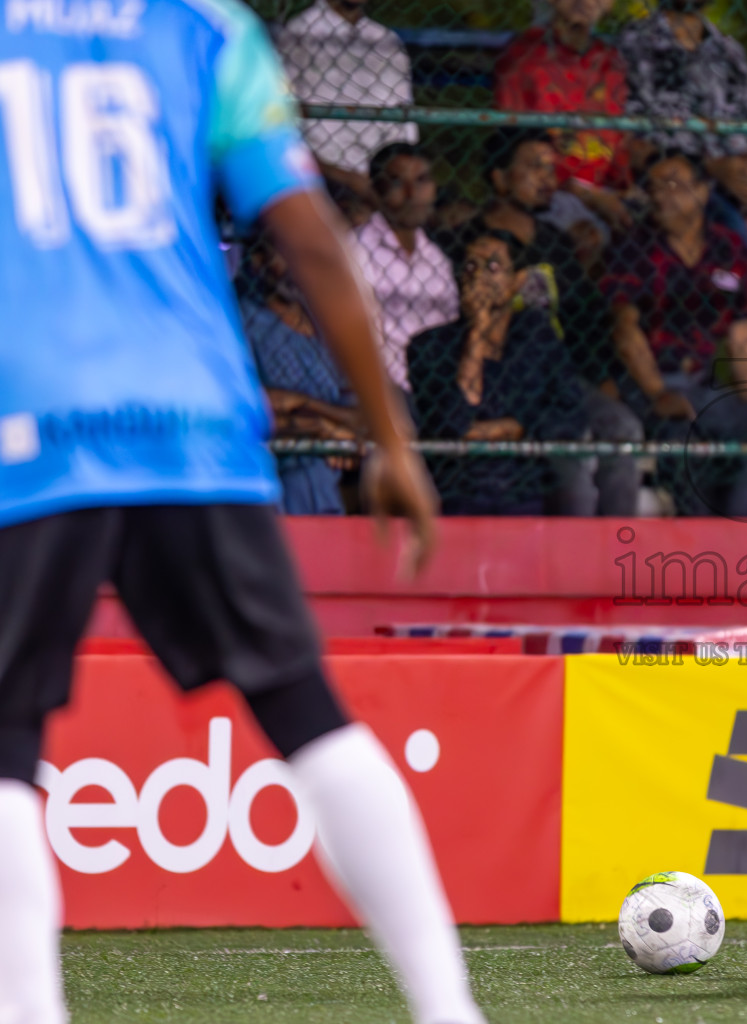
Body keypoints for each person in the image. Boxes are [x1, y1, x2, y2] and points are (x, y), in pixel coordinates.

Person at [0, 3, 484, 1023]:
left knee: (6, 750)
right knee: (306, 711)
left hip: (30, 421)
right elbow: (309, 240)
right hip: (194, 421)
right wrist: (389, 440)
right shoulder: (205, 24)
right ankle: (451, 1013)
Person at [619, 0, 747, 394]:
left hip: (732, 188)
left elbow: (746, 141)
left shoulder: (728, 52)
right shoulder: (636, 43)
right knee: (731, 231)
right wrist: (713, 169)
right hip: (673, 189)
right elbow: (633, 142)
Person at [604, 150, 747, 519]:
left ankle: (743, 547)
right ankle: (698, 549)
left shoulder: (727, 247)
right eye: (653, 187)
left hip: (701, 383)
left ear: (702, 192)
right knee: (681, 441)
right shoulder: (633, 247)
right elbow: (626, 330)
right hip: (645, 382)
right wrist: (657, 393)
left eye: (673, 184)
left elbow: (742, 333)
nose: (661, 195)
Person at [480, 127, 643, 515]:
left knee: (623, 430)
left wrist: (601, 377)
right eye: (534, 168)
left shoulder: (554, 241)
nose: (547, 179)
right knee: (573, 456)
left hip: (561, 378)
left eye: (551, 169)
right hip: (502, 378)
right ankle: (575, 563)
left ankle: (616, 551)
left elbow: (583, 318)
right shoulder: (471, 239)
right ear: (499, 177)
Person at [409, 228, 590, 515]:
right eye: (470, 266)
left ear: (517, 281)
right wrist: (477, 332)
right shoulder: (430, 345)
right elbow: (452, 425)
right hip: (457, 483)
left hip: (527, 478)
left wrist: (516, 427)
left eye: (493, 266)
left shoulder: (536, 334)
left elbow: (570, 411)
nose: (478, 275)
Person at [241, 232, 359, 514]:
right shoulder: (244, 318)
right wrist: (319, 425)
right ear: (259, 259)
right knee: (303, 470)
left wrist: (311, 412)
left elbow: (360, 412)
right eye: (286, 253)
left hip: (338, 452)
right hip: (276, 456)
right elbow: (250, 402)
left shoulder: (327, 321)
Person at [493, 0, 634, 234]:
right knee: (587, 235)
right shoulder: (524, 56)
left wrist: (625, 187)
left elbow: (618, 144)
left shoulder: (611, 61)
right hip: (550, 192)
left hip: (607, 190)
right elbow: (512, 146)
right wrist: (583, 192)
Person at [276, 0, 417, 204]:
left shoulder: (386, 40)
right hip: (318, 179)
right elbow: (281, 122)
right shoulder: (297, 35)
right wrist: (344, 178)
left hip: (384, 181)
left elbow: (404, 123)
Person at [354, 143, 459, 391]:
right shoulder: (353, 251)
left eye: (422, 180)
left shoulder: (437, 260)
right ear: (375, 190)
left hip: (435, 391)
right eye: (398, 183)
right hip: (375, 391)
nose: (413, 194)